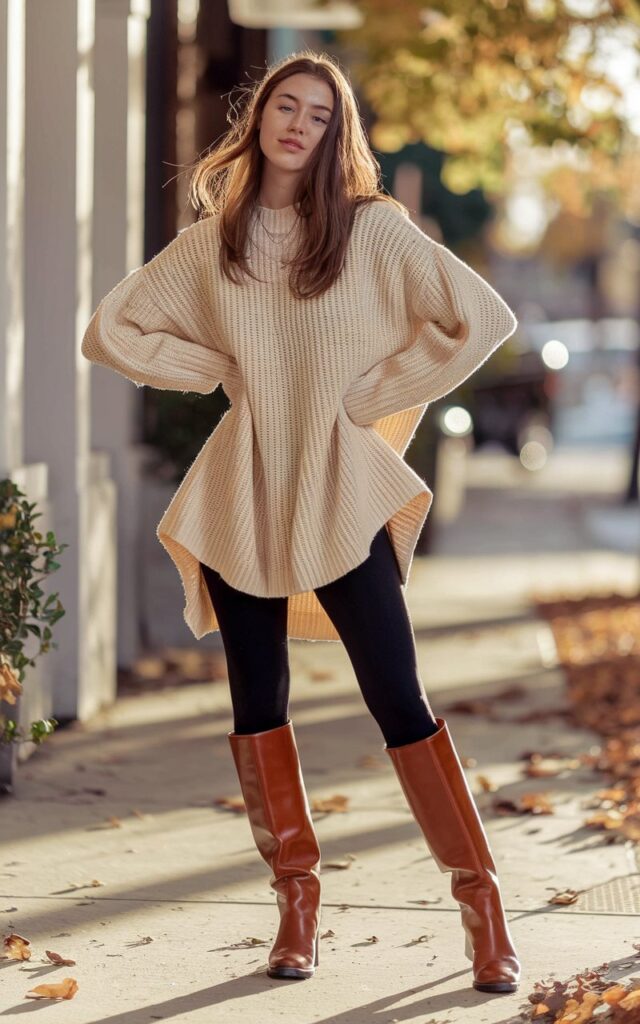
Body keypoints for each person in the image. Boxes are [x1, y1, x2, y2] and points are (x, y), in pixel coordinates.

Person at [81, 50, 521, 993]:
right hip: (244, 487)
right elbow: (111, 328)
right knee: (257, 701)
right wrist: (215, 370)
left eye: (320, 115)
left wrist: (378, 391)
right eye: (287, 106)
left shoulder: (373, 231)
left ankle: (482, 906)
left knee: (398, 697)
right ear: (262, 117)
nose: (298, 125)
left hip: (340, 484)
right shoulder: (216, 241)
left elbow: (482, 316)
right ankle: (296, 904)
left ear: (335, 134)